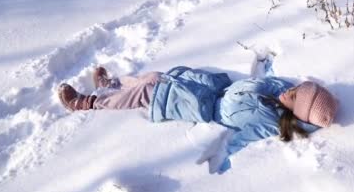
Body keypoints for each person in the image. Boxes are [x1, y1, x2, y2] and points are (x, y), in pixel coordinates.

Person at [58, 65, 338, 173]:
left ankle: (87, 103)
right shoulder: (279, 91)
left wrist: (223, 157)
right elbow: (280, 87)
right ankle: (111, 84)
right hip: (214, 89)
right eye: (297, 89)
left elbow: (241, 140)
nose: (291, 90)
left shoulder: (268, 119)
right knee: (156, 77)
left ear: (294, 112)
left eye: (296, 96)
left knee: (149, 93)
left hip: (201, 107)